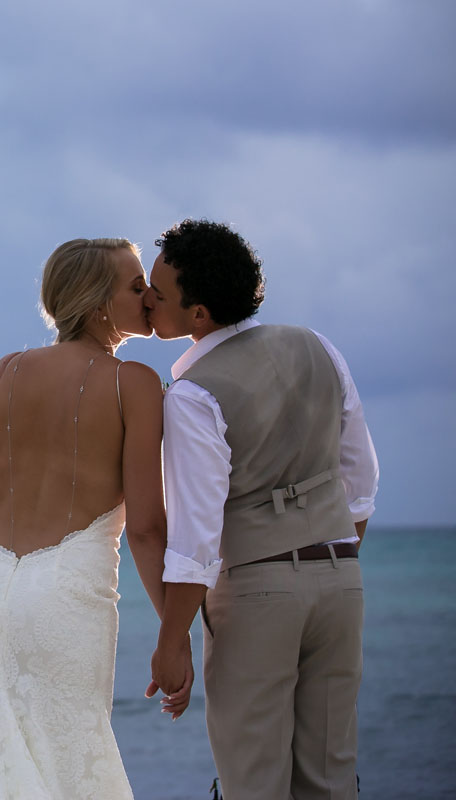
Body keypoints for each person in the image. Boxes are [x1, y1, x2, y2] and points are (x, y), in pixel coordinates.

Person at [0, 238, 187, 799]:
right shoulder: (135, 383)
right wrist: (175, 634)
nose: (150, 296)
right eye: (135, 287)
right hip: (63, 602)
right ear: (98, 301)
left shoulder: (7, 371)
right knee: (70, 762)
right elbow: (149, 530)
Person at [143, 219, 379, 800]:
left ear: (198, 316)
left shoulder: (195, 394)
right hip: (342, 579)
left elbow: (196, 537)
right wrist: (324, 559)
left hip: (256, 593)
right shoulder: (317, 346)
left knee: (254, 783)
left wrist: (171, 642)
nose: (146, 300)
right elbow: (362, 480)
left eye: (158, 294)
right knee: (331, 779)